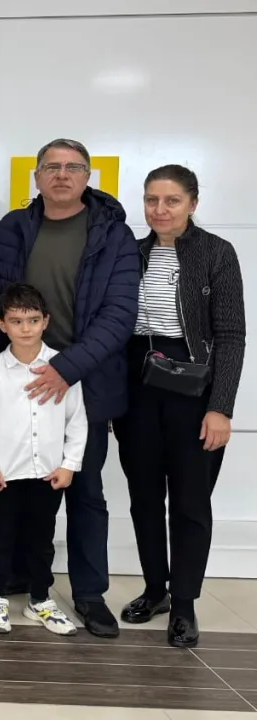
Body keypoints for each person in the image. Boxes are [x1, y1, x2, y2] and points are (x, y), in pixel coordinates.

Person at [0, 138, 140, 639]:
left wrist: (66, 368)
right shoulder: (11, 228)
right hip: (19, 384)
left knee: (83, 491)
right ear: (37, 176)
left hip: (84, 381)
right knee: (17, 489)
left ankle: (89, 593)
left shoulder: (114, 236)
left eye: (72, 167)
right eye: (52, 167)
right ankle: (18, 575)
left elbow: (119, 315)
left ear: (88, 176)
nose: (62, 175)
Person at [112, 165, 245, 649]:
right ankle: (156, 590)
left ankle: (184, 603)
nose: (160, 210)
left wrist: (221, 407)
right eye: (151, 200)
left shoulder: (216, 253)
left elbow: (231, 336)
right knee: (144, 497)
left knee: (190, 501)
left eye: (171, 200)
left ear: (193, 203)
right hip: (137, 386)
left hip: (194, 390)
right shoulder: (131, 251)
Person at [0, 283, 84, 636]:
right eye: (16, 321)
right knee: (0, 537)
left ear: (45, 321)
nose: (25, 328)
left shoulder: (63, 367)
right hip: (5, 475)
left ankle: (40, 599)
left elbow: (77, 421)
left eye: (33, 320)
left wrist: (69, 464)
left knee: (41, 539)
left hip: (47, 474)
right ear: (2, 324)